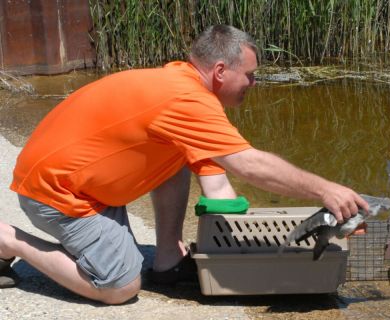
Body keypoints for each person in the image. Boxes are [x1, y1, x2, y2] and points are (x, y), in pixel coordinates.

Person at [0, 25, 368, 304]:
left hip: (88, 183)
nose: (254, 83)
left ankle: (167, 262)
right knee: (119, 286)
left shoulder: (184, 87)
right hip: (55, 192)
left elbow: (219, 187)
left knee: (176, 154)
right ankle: (9, 240)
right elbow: (249, 164)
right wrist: (326, 190)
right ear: (221, 71)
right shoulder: (185, 100)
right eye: (250, 75)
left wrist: (245, 254)